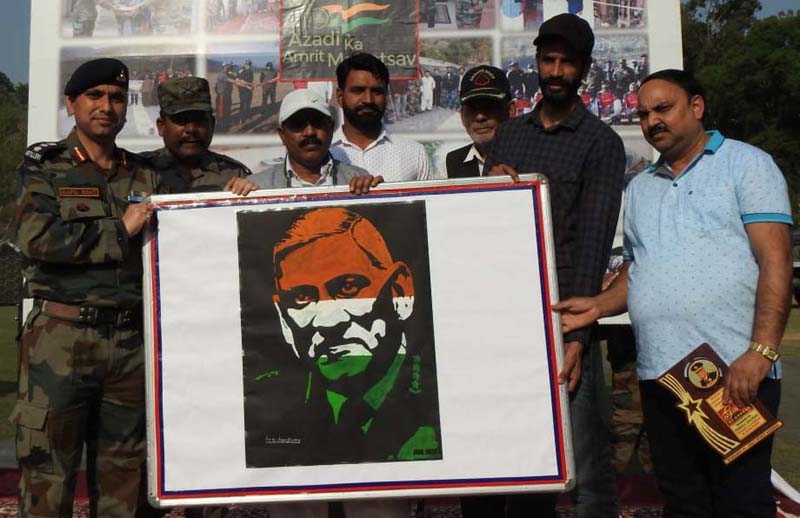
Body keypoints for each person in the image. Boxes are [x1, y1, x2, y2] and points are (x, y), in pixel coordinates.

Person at [554, 68, 792, 518]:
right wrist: (598, 306)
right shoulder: (641, 187)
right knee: (683, 503)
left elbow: (775, 260)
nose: (652, 121)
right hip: (661, 376)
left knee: (742, 503)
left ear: (696, 107)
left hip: (733, 371)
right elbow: (639, 271)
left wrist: (760, 351)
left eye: (663, 109)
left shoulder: (747, 164)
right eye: (644, 114)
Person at [482, 13, 625, 518]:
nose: (556, 71)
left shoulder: (601, 143)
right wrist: (489, 188)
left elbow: (593, 244)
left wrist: (577, 338)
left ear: (583, 68)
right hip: (508, 318)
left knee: (586, 467)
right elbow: (485, 229)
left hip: (565, 317)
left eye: (567, 62)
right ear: (537, 62)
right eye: (549, 60)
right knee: (527, 458)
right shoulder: (508, 136)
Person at [12, 58, 158, 517]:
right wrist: (120, 230)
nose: (106, 106)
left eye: (116, 98)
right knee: (47, 476)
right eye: (94, 96)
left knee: (126, 480)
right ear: (71, 104)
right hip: (61, 340)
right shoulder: (45, 169)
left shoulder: (145, 174)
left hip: (130, 343)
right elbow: (36, 238)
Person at [251, 88, 382, 194]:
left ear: (331, 128)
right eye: (297, 124)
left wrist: (379, 194)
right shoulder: (257, 188)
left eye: (318, 122)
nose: (310, 132)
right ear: (282, 135)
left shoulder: (360, 182)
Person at [330, 53, 436, 182]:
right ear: (340, 97)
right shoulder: (325, 153)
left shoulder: (413, 153)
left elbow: (430, 195)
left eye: (377, 92)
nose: (368, 100)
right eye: (358, 90)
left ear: (386, 96)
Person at [141, 76, 255, 195]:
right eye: (181, 120)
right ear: (161, 126)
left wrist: (250, 195)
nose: (191, 129)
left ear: (212, 124)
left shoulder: (234, 174)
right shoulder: (136, 170)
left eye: (199, 120)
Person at [446, 65, 514, 179]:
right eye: (472, 109)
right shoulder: (452, 162)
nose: (480, 117)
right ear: (462, 116)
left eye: (489, 107)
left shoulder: (532, 157)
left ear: (511, 110)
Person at [236, 59, 255, 123]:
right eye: (247, 65)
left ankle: (248, 115)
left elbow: (251, 80)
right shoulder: (240, 71)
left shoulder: (251, 71)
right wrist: (248, 85)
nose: (249, 66)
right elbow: (238, 80)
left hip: (249, 91)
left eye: (249, 65)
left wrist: (252, 86)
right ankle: (241, 118)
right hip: (242, 91)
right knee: (242, 104)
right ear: (245, 64)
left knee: (248, 104)